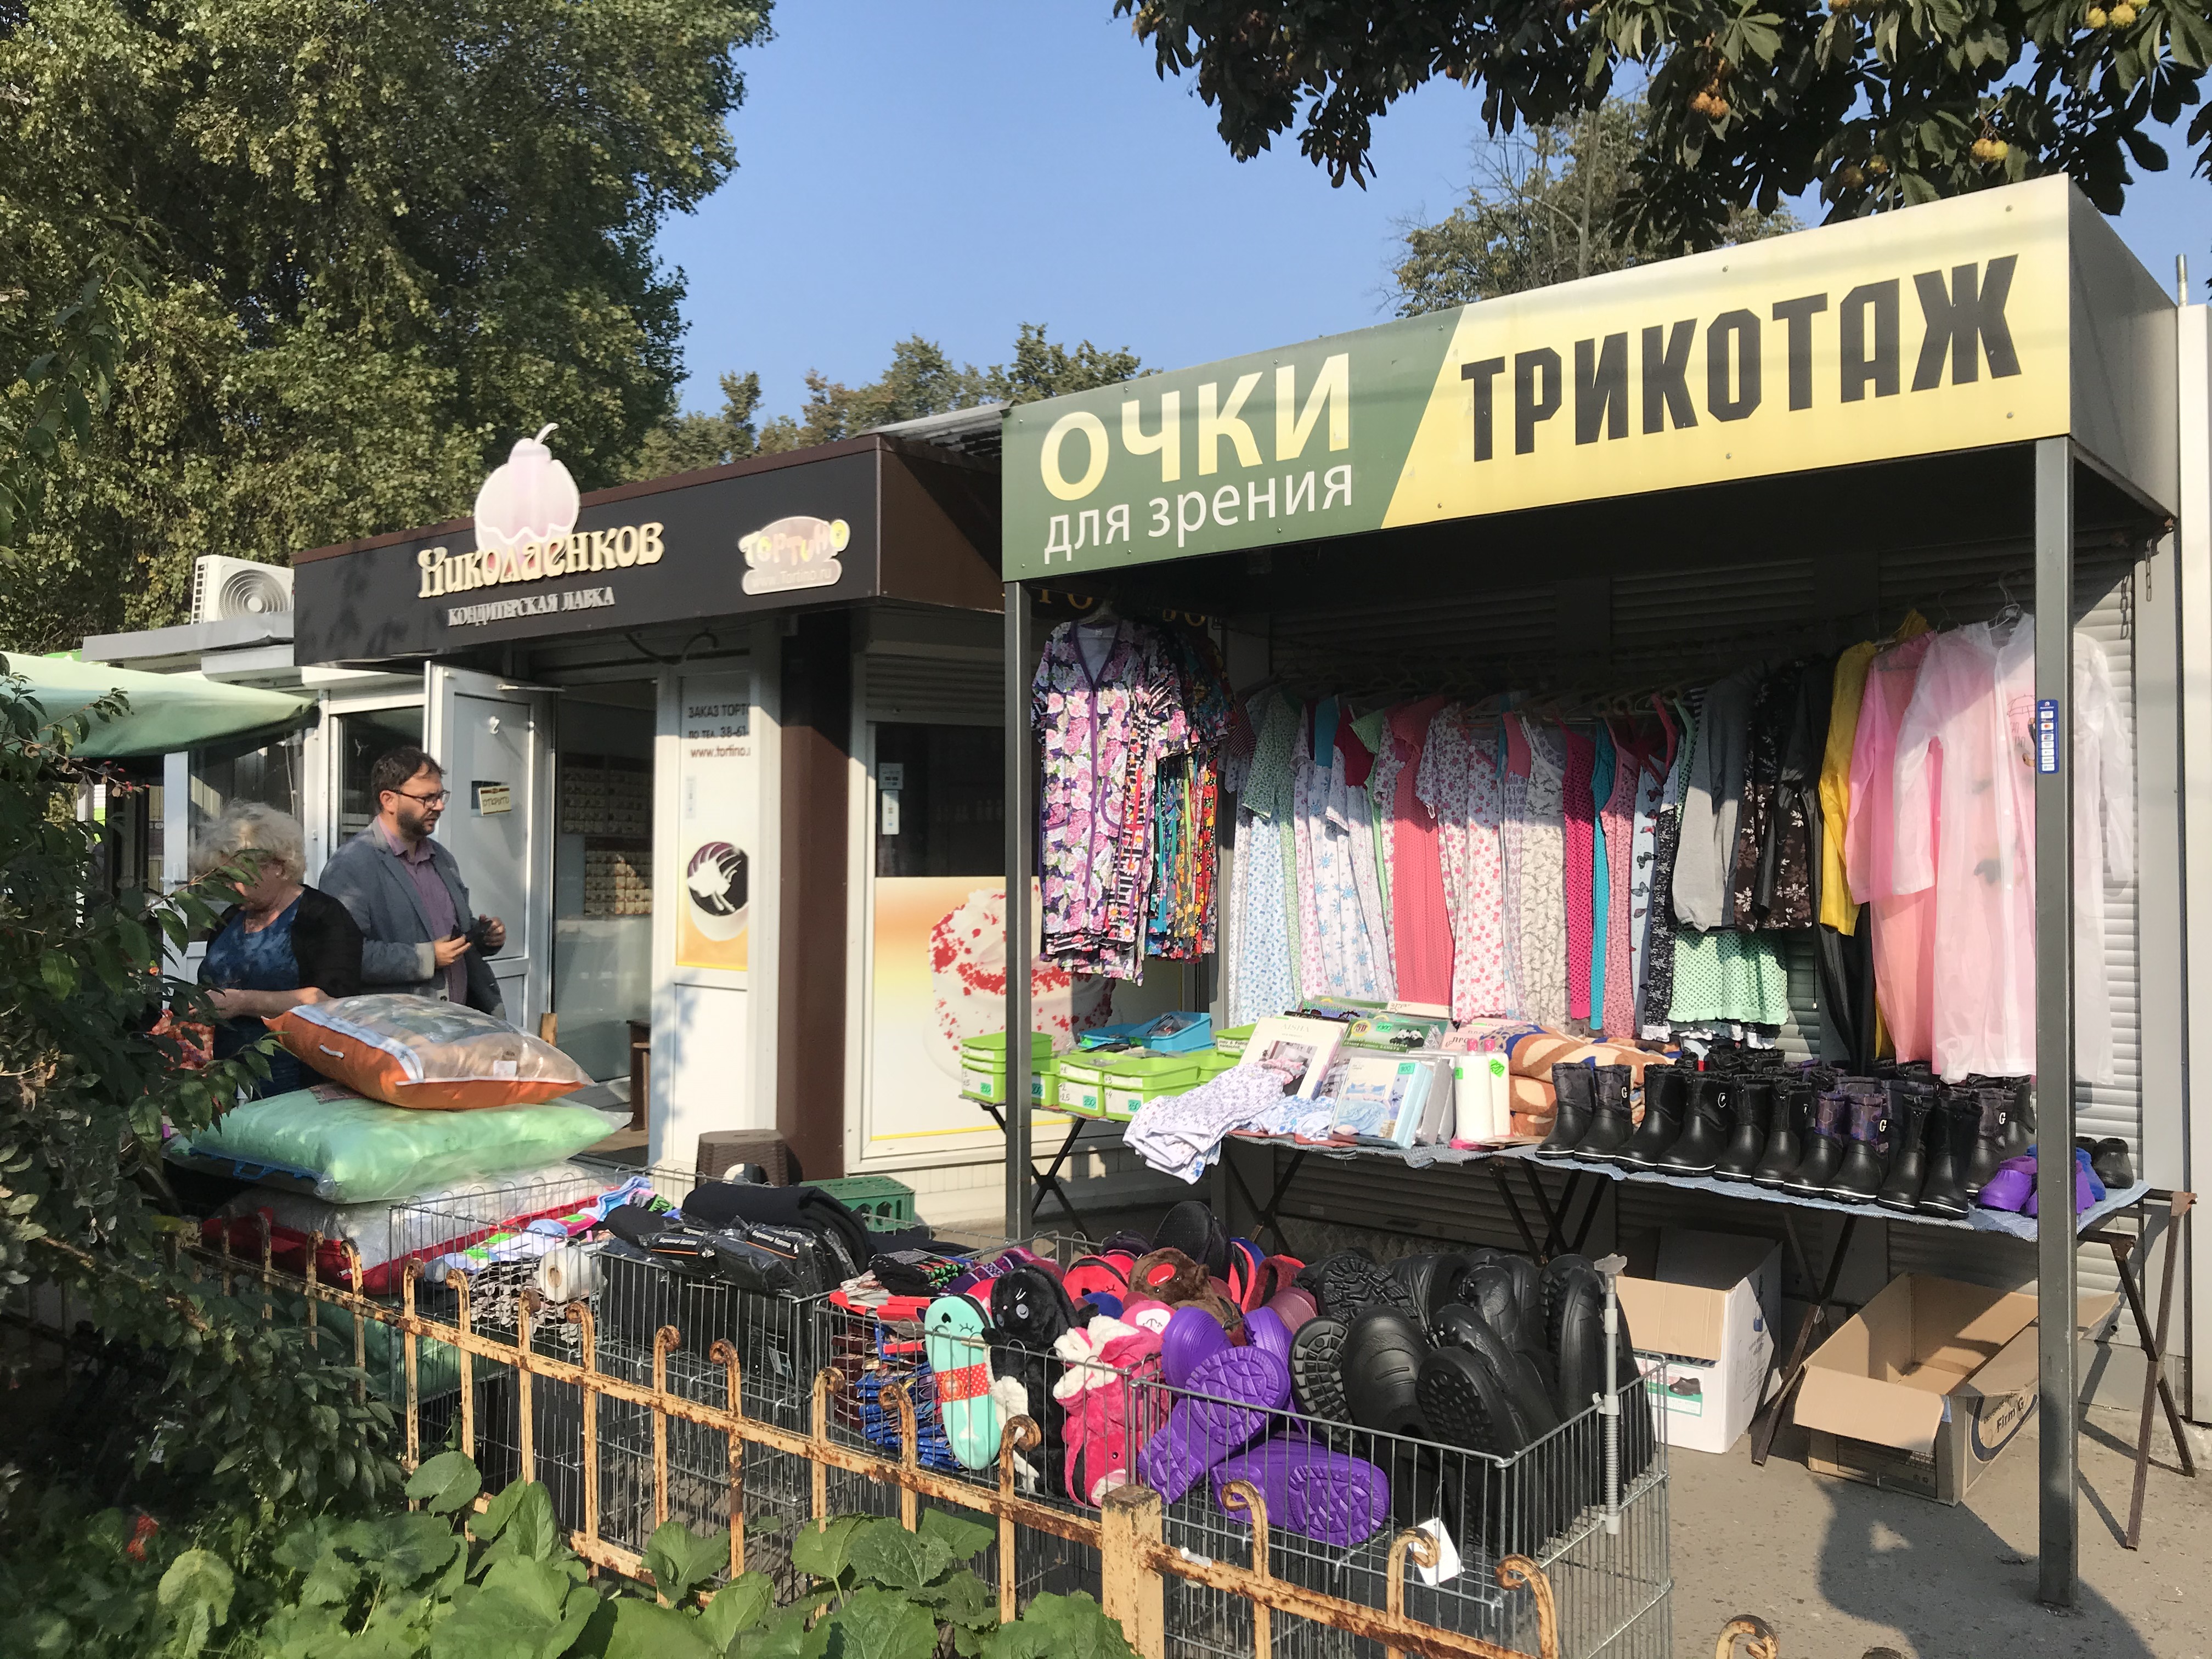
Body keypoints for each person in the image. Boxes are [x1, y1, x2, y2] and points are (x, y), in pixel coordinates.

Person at [319, 744, 508, 1019]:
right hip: (398, 1030)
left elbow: (455, 934)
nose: (439, 806)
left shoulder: (442, 859)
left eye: (440, 796)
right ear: (389, 800)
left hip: (458, 1021)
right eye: (427, 798)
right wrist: (426, 959)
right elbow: (342, 955)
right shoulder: (351, 866)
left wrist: (484, 937)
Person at [194, 803, 364, 1096]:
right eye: (223, 879)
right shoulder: (231, 918)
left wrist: (243, 1002)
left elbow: (332, 1003)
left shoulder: (322, 916)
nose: (229, 888)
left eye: (238, 877)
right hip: (225, 1085)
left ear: (279, 867)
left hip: (296, 1088)